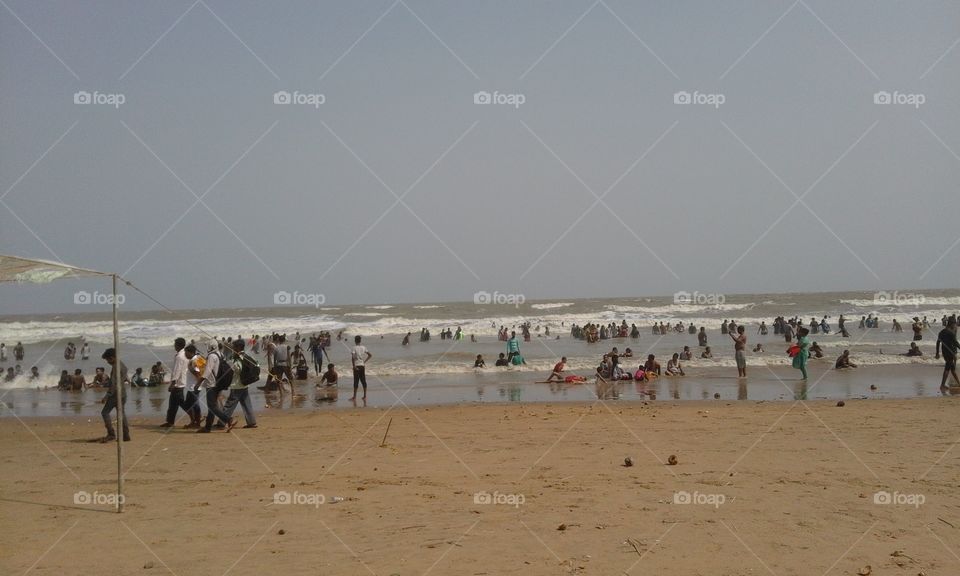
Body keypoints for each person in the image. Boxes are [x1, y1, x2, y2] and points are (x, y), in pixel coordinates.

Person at [220, 340, 258, 430]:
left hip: (237, 385)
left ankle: (221, 423)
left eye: (234, 347)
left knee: (229, 405)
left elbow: (238, 369)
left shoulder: (239, 358)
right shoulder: (247, 356)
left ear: (238, 347)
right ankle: (251, 422)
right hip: (244, 384)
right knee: (246, 404)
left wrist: (231, 363)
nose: (232, 348)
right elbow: (256, 363)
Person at [162, 337, 198, 428]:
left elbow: (177, 370)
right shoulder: (184, 354)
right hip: (183, 381)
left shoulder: (180, 356)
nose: (174, 346)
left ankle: (194, 419)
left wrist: (173, 383)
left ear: (178, 345)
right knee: (173, 404)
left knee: (181, 403)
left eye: (175, 345)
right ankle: (170, 422)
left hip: (178, 383)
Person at [196, 343, 231, 433]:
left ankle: (227, 419)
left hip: (212, 384)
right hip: (218, 383)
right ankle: (208, 427)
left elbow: (207, 371)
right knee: (212, 406)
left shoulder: (211, 356)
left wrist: (199, 382)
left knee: (212, 406)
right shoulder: (220, 354)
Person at [98, 348, 130, 443]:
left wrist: (107, 396)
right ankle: (126, 435)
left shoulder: (116, 367)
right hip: (123, 393)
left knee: (105, 412)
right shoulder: (122, 365)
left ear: (112, 358)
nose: (107, 362)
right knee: (121, 413)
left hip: (115, 394)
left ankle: (111, 434)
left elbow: (114, 384)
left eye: (108, 360)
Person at [935, 318, 960, 391]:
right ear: (952, 324)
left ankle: (959, 383)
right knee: (947, 368)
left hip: (944, 352)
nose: (955, 326)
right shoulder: (951, 333)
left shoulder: (941, 332)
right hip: (950, 352)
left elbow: (938, 343)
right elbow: (956, 343)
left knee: (952, 369)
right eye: (955, 324)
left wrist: (937, 353)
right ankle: (942, 385)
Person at [351, 335, 372, 401]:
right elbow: (370, 355)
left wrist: (354, 366)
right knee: (363, 380)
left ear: (355, 340)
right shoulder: (363, 347)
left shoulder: (354, 348)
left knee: (356, 381)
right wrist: (364, 362)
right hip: (362, 366)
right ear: (360, 340)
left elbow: (353, 357)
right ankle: (365, 396)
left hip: (357, 365)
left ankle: (354, 397)